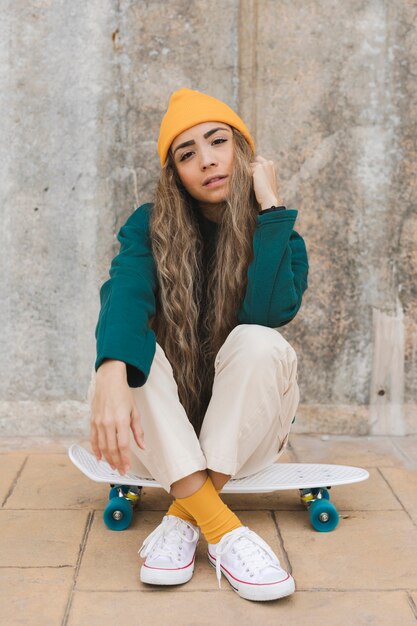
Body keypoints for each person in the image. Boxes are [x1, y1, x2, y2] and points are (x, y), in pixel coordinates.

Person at [90, 88, 309, 602]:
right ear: (176, 175)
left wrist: (270, 208)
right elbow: (125, 291)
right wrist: (109, 371)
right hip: (163, 435)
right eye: (187, 153)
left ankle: (181, 514)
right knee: (130, 354)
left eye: (218, 142)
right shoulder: (148, 226)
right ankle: (225, 532)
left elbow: (269, 312)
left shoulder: (277, 230)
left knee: (258, 342)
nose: (207, 160)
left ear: (244, 152)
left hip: (248, 436)